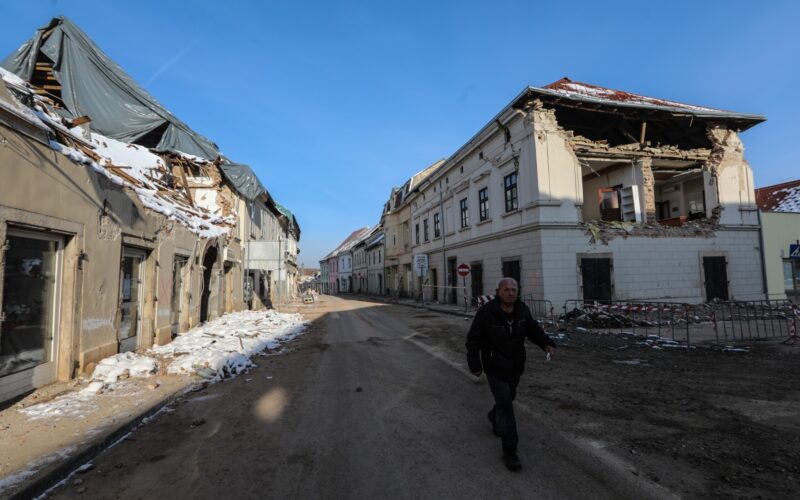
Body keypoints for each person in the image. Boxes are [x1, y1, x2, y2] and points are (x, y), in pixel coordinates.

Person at [465, 277, 556, 471]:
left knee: (508, 398)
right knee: (506, 405)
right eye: (506, 289)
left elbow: (532, 329)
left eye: (514, 289)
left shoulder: (522, 310)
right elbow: (473, 339)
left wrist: (546, 343)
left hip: (515, 366)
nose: (511, 293)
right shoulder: (487, 312)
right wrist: (475, 364)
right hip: (494, 366)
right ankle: (510, 450)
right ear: (498, 292)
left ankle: (494, 415)